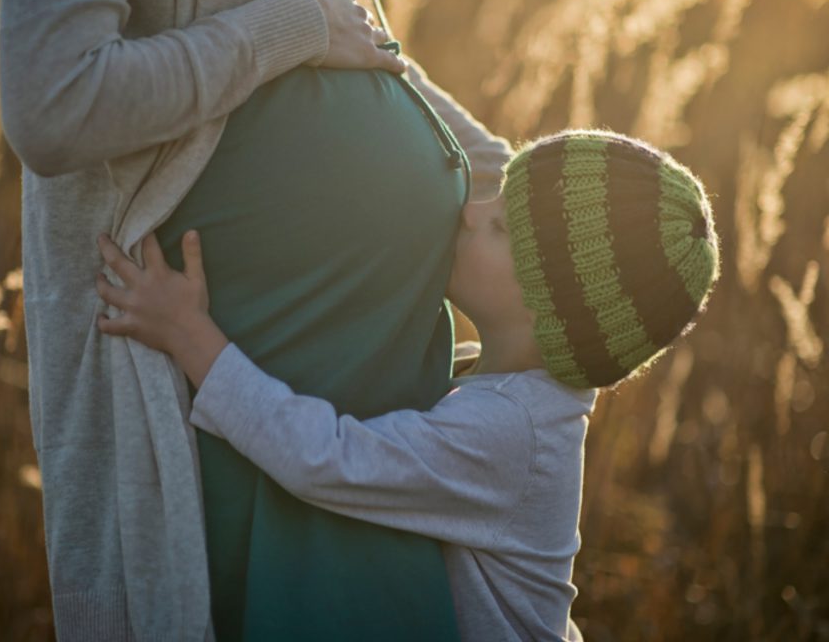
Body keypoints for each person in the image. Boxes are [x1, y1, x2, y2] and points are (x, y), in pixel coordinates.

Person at [0, 0, 512, 639]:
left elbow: (360, 43)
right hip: (234, 406)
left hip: (362, 408)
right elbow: (56, 104)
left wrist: (539, 199)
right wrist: (293, 24)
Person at [95, 130, 721, 641]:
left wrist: (191, 336)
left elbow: (328, 460)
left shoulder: (510, 434)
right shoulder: (512, 389)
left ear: (552, 312)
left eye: (500, 228)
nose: (470, 214)